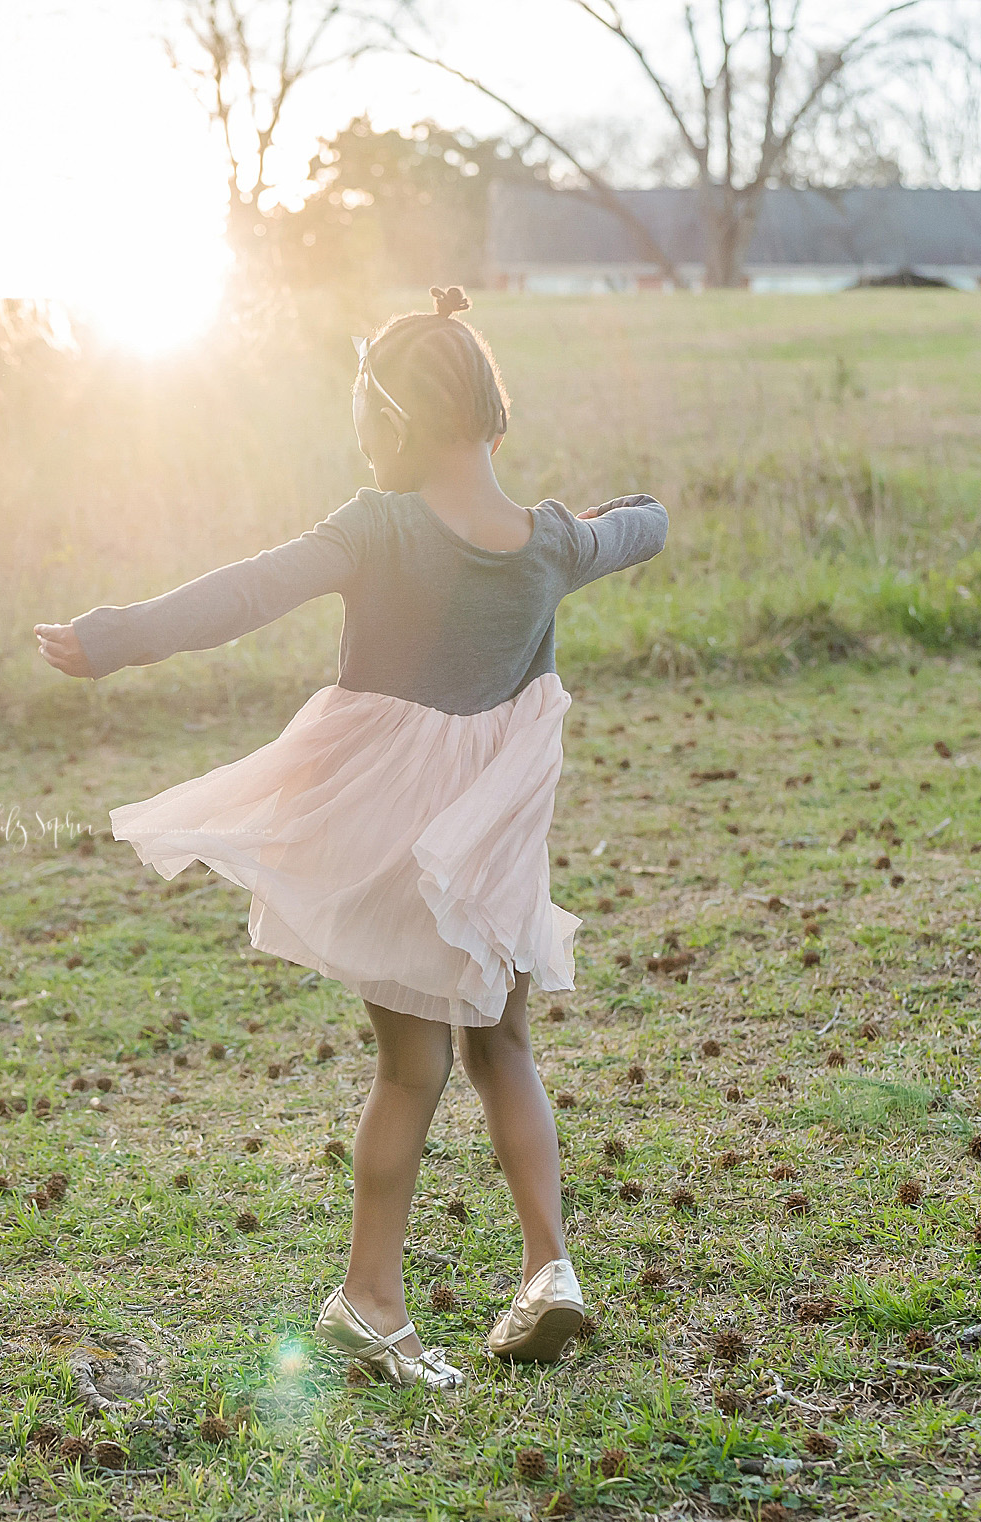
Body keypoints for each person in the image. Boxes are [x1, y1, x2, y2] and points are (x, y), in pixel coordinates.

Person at [34, 286, 668, 1388]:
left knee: (410, 1063)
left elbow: (244, 591)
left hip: (384, 832)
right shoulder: (551, 545)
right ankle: (549, 1266)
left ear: (387, 427)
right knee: (503, 1045)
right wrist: (626, 509)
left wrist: (111, 638)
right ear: (495, 416)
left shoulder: (377, 527)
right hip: (494, 842)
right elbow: (647, 523)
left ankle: (371, 1298)